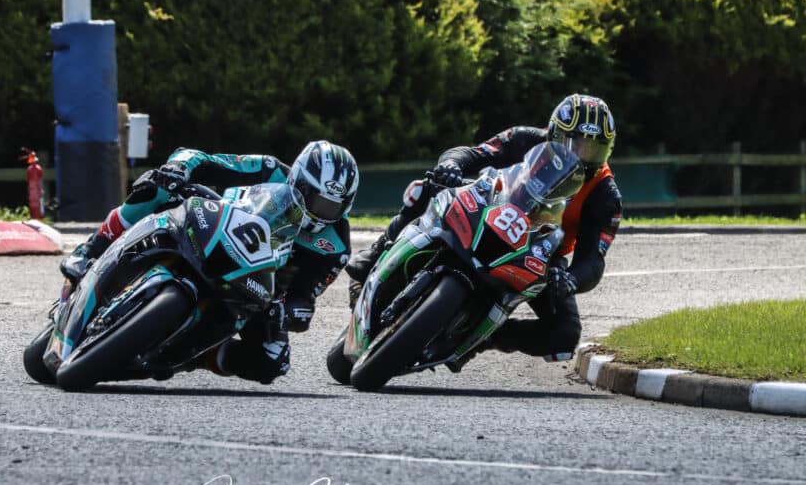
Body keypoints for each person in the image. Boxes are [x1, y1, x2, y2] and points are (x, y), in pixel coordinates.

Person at [344, 94, 623, 362]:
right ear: (554, 133)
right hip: (489, 210)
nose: (582, 157)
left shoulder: (605, 195)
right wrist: (451, 165)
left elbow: (592, 260)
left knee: (564, 334)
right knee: (428, 189)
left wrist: (572, 279)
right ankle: (373, 257)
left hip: (539, 253)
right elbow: (473, 153)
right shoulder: (524, 139)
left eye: (593, 149)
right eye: (575, 144)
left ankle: (484, 337)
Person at [61, 140, 359, 384]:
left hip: (257, 288)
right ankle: (91, 249)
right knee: (157, 186)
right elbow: (202, 159)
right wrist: (179, 168)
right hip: (212, 228)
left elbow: (306, 294)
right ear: (298, 182)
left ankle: (194, 357)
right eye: (317, 201)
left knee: (273, 359)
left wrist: (294, 311)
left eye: (332, 207)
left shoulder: (336, 245)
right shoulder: (269, 169)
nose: (321, 214)